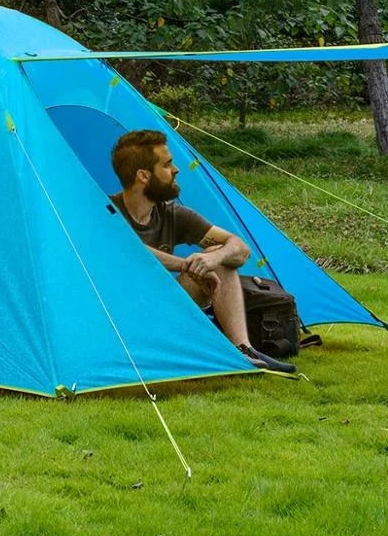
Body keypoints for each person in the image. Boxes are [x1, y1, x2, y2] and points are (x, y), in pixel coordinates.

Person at [110, 128, 296, 374]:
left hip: (164, 312)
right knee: (206, 261)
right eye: (167, 164)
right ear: (144, 175)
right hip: (118, 321)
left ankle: (243, 351)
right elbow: (128, 249)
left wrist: (212, 259)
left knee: (221, 256)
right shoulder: (106, 212)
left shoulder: (171, 214)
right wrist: (186, 265)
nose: (176, 169)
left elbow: (240, 249)